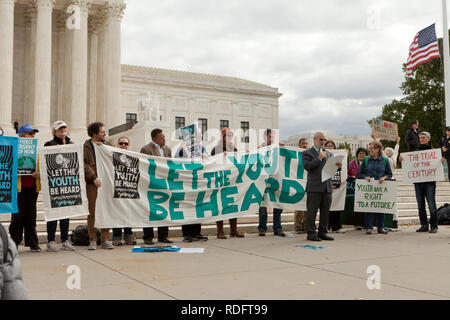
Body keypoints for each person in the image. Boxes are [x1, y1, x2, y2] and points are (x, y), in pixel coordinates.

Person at [399, 132, 444, 233]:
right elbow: (409, 162)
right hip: (418, 182)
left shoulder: (434, 152)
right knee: (420, 205)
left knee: (431, 204)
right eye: (420, 138)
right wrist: (402, 159)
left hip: (429, 182)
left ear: (428, 139)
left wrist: (441, 161)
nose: (421, 139)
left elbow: (438, 163)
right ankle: (424, 225)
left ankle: (434, 225)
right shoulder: (415, 152)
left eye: (424, 137)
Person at [303, 132, 342, 241]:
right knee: (312, 212)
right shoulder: (307, 153)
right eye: (321, 139)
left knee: (325, 212)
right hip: (314, 187)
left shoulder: (328, 153)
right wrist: (318, 158)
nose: (323, 142)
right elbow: (308, 167)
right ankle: (311, 233)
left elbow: (330, 169)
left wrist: (338, 166)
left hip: (327, 186)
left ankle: (322, 232)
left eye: (324, 140)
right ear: (315, 140)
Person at [9, 124, 41, 252]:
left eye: (33, 134)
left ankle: (33, 243)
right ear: (22, 136)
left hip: (33, 188)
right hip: (19, 188)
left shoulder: (37, 152)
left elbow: (42, 168)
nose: (33, 136)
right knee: (17, 217)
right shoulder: (13, 150)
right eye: (30, 133)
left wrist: (39, 174)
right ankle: (14, 244)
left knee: (31, 217)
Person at [44, 120, 75, 251]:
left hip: (66, 182)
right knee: (53, 214)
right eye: (60, 128)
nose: (63, 130)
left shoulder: (72, 144)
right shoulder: (49, 144)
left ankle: (64, 240)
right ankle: (51, 241)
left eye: (64, 127)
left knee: (65, 213)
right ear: (54, 132)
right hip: (54, 183)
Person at [84, 122, 114, 250]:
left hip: (106, 182)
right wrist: (93, 177)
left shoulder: (107, 145)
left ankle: (105, 239)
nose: (105, 134)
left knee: (106, 209)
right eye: (102, 132)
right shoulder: (86, 146)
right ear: (94, 133)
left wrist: (105, 148)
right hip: (93, 183)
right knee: (93, 211)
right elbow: (84, 164)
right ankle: (93, 239)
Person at [211, 127, 244, 239]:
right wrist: (220, 156)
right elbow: (211, 163)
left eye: (231, 135)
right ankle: (220, 231)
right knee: (220, 206)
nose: (230, 137)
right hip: (220, 181)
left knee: (233, 206)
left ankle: (233, 230)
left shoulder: (233, 149)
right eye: (228, 135)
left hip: (231, 181)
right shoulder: (216, 148)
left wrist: (246, 154)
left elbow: (239, 159)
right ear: (223, 137)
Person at [141, 129, 173, 244]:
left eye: (164, 137)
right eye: (161, 137)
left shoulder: (167, 149)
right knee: (149, 210)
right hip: (151, 183)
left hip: (164, 184)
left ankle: (163, 236)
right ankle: (148, 237)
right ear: (154, 138)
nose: (164, 139)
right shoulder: (146, 149)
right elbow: (144, 166)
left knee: (164, 210)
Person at [175, 135, 209, 243]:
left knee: (198, 207)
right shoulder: (181, 148)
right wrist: (182, 149)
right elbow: (176, 160)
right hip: (186, 182)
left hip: (198, 181)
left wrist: (205, 156)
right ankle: (187, 234)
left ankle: (196, 232)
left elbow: (208, 159)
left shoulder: (202, 148)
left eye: (200, 137)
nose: (198, 140)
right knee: (187, 207)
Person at [358, 141, 392, 235]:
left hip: (381, 187)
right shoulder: (366, 160)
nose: (370, 150)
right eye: (370, 148)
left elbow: (389, 173)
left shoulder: (385, 160)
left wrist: (384, 178)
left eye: (372, 148)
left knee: (381, 207)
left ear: (378, 149)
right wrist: (365, 177)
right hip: (369, 187)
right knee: (369, 207)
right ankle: (369, 227)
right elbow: (360, 173)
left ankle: (380, 227)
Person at [257, 129, 285, 237]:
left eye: (273, 137)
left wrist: (282, 147)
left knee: (278, 204)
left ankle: (277, 228)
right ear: (265, 137)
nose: (272, 139)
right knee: (263, 205)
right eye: (270, 137)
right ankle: (262, 228)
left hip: (276, 179)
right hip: (263, 180)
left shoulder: (278, 148)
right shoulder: (260, 148)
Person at [112, 137, 137, 246]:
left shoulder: (133, 157)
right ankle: (116, 237)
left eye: (125, 143)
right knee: (116, 214)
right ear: (117, 144)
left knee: (128, 214)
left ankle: (128, 236)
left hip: (129, 190)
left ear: (128, 145)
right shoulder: (112, 156)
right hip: (117, 189)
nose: (123, 145)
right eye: (121, 143)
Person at [324, 140, 345, 233]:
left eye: (332, 146)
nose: (330, 147)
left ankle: (336, 227)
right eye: (328, 146)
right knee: (326, 207)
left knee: (337, 205)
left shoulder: (338, 155)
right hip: (326, 183)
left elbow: (342, 169)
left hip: (337, 183)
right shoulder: (323, 155)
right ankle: (326, 227)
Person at [346, 147, 369, 230]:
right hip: (354, 188)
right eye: (360, 153)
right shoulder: (352, 163)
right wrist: (351, 176)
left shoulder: (369, 163)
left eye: (363, 153)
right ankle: (357, 224)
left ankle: (365, 223)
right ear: (357, 155)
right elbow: (346, 173)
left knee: (365, 206)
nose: (362, 155)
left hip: (365, 188)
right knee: (356, 206)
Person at [294, 138, 308, 233]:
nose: (305, 145)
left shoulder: (310, 155)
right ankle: (298, 226)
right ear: (299, 145)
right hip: (298, 182)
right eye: (303, 143)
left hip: (308, 182)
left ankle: (307, 226)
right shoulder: (295, 155)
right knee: (299, 206)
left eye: (306, 143)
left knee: (308, 206)